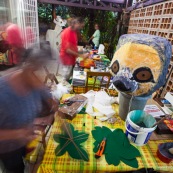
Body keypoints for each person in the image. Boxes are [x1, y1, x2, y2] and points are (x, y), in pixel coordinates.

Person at [0, 43, 58, 173]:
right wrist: (18, 133)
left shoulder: (35, 84)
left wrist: (52, 107)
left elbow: (51, 101)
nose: (43, 77)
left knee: (25, 162)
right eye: (41, 70)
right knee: (15, 168)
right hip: (7, 148)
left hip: (23, 142)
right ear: (29, 68)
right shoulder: (3, 92)